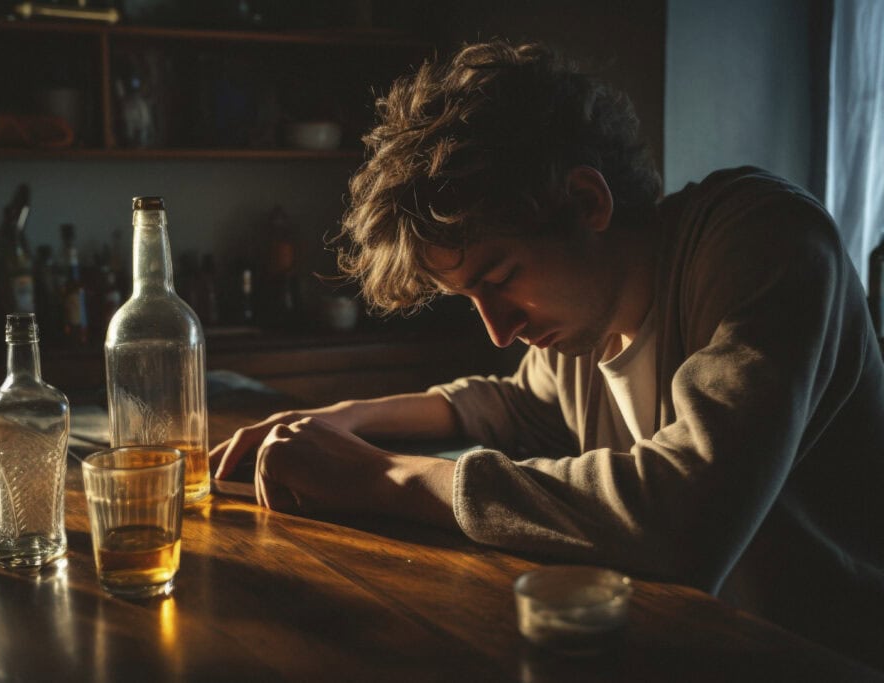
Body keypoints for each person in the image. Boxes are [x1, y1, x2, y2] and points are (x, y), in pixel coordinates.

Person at [212, 40, 884, 668]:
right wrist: (340, 421)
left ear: (586, 201)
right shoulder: (580, 328)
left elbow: (682, 518)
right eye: (470, 297)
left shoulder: (763, 241)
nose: (498, 329)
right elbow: (511, 405)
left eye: (500, 277)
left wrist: (381, 476)